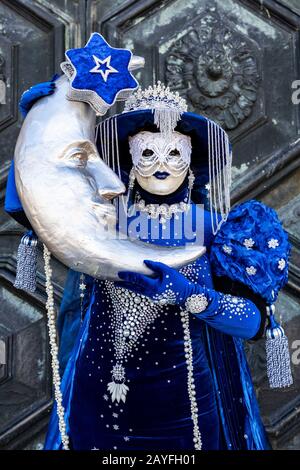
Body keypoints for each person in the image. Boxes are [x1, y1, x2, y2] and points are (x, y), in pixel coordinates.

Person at [5, 78, 292, 451]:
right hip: (99, 396)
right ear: (129, 158)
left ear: (190, 161)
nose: (161, 164)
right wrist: (38, 129)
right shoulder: (98, 218)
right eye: (147, 153)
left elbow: (254, 323)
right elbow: (34, 201)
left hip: (185, 404)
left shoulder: (215, 229)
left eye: (173, 153)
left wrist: (191, 296)